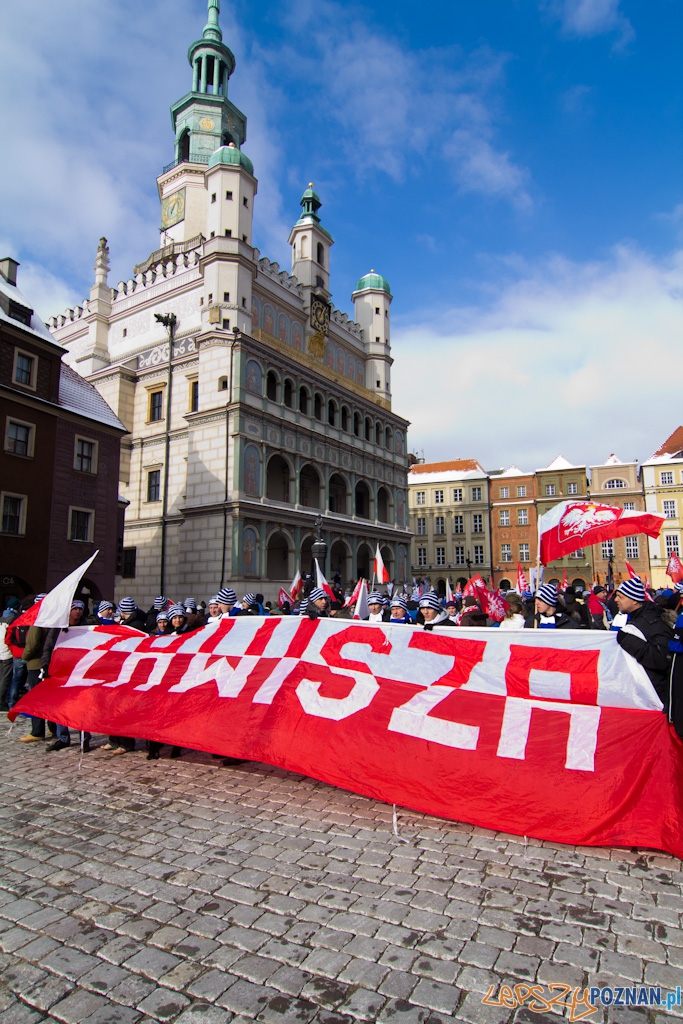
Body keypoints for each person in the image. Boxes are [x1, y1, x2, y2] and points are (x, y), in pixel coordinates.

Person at [614, 576, 674, 707]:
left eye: (620, 597)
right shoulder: (638, 619)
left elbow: (662, 659)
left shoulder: (653, 622)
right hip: (644, 694)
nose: (615, 600)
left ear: (634, 600)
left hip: (656, 697)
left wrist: (629, 641)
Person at [0, 598, 21, 711]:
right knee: (6, 678)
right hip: (6, 651)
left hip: (1, 650)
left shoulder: (2, 617)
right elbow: (9, 638)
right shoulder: (13, 619)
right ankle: (1, 702)